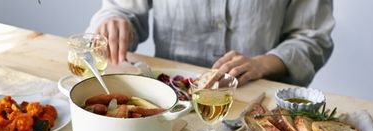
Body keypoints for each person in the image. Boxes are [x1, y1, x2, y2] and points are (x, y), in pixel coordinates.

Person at [87, 1, 335, 87]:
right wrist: (115, 22)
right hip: (170, 98)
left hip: (253, 99)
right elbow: (120, 9)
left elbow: (313, 38)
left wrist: (263, 63)